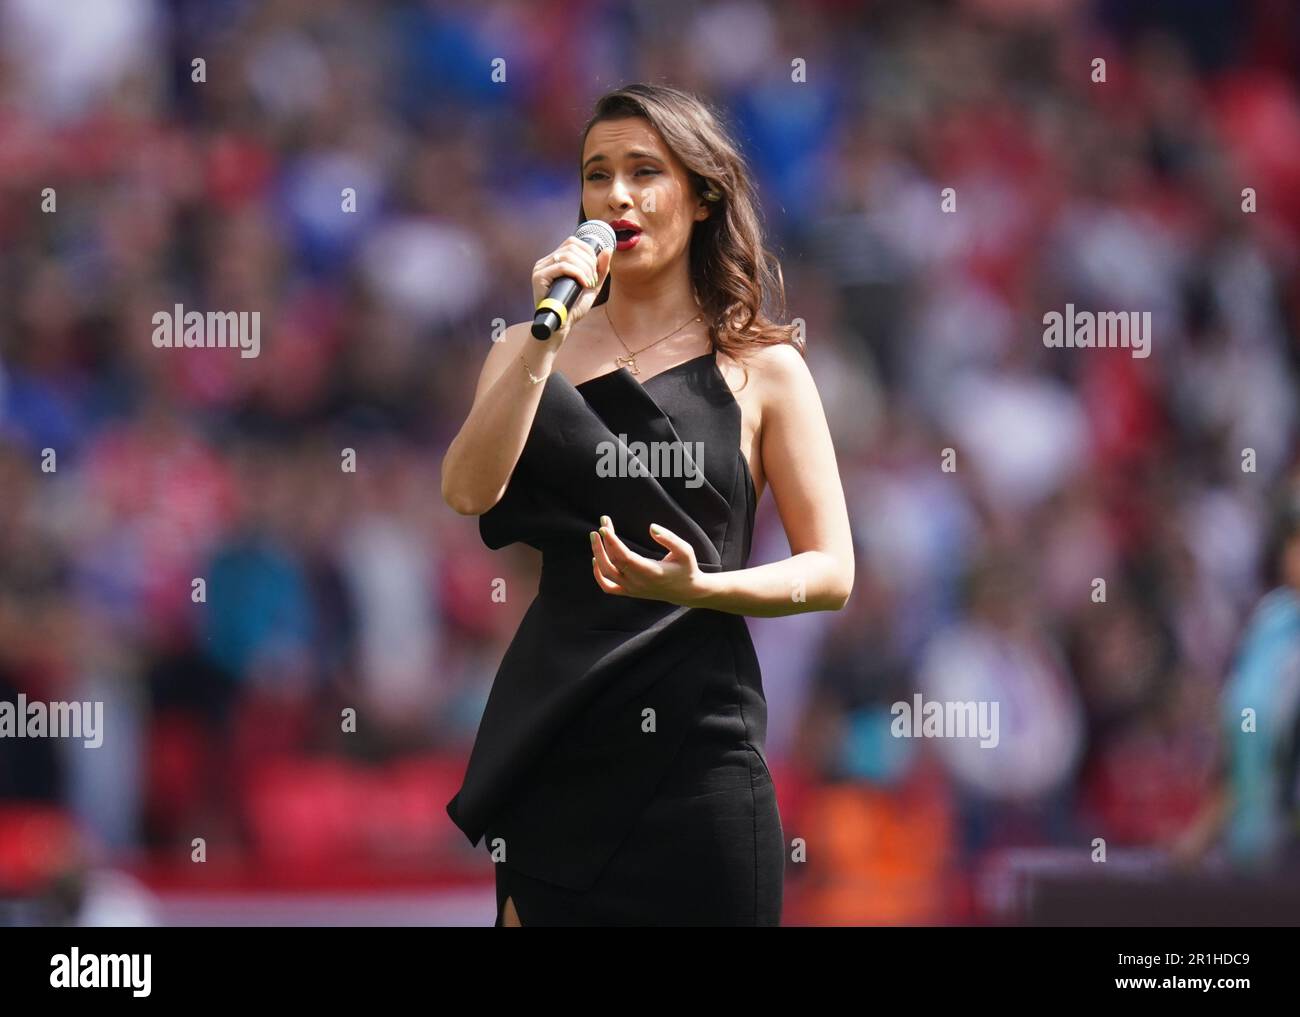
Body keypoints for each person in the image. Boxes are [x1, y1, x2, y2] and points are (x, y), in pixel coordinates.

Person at [441, 83, 855, 926]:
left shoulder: (766, 367)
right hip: (558, 738)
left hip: (701, 755)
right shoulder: (527, 346)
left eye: (644, 172)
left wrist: (700, 588)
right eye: (597, 175)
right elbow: (467, 488)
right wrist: (547, 337)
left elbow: (832, 570)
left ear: (702, 197)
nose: (616, 196)